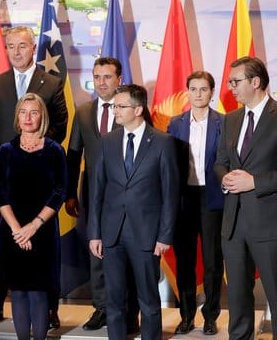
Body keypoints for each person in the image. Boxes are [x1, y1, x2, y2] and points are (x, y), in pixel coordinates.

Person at [0, 25, 68, 328]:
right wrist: (8, 153)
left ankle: (50, 309)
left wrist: (34, 150)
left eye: (23, 46)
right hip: (6, 179)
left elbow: (59, 125)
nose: (16, 52)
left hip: (41, 181)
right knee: (4, 247)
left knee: (43, 253)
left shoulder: (52, 82)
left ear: (33, 49)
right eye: (11, 46)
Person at [88, 84, 179, 340]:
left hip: (147, 235)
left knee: (148, 300)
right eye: (114, 106)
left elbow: (170, 195)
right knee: (114, 299)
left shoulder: (163, 143)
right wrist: (94, 233)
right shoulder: (106, 142)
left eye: (120, 106)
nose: (114, 110)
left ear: (138, 109)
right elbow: (97, 191)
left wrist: (165, 236)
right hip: (112, 233)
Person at [65, 57, 140, 333]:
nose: (101, 82)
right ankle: (102, 309)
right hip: (93, 196)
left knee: (127, 254)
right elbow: (73, 156)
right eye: (97, 77)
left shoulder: (133, 110)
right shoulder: (84, 112)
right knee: (97, 253)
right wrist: (70, 194)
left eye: (107, 77)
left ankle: (130, 312)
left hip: (127, 197)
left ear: (119, 79)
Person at [0, 93, 66, 340]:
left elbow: (59, 193)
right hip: (12, 231)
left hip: (42, 230)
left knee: (39, 291)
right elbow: (0, 195)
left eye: (34, 112)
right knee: (19, 290)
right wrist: (18, 230)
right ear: (16, 116)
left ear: (42, 117)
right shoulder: (6, 150)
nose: (28, 117)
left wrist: (33, 227)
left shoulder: (55, 150)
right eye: (23, 112)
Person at [214, 56, 277, 339]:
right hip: (233, 224)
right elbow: (219, 162)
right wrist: (225, 179)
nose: (230, 88)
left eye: (235, 82)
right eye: (229, 82)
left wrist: (255, 182)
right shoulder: (230, 119)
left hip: (270, 224)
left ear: (256, 82)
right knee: (238, 301)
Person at [167, 71, 224, 335]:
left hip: (212, 197)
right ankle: (187, 314)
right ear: (187, 91)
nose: (198, 94)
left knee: (213, 261)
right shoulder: (174, 124)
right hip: (183, 198)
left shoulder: (224, 123)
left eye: (203, 89)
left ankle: (211, 316)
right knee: (185, 261)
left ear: (212, 92)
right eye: (193, 89)